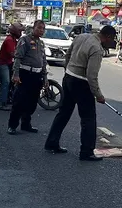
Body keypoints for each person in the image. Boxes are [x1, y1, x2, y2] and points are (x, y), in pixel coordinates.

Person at [44, 25, 117, 161]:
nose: (111, 42)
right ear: (107, 37)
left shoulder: (81, 37)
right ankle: (86, 152)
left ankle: (51, 143)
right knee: (88, 118)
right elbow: (91, 75)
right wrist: (98, 95)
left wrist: (68, 71)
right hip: (82, 83)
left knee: (63, 113)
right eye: (111, 39)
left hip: (68, 78)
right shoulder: (96, 49)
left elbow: (68, 55)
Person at [8, 20, 48, 135]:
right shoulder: (24, 40)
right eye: (39, 28)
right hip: (25, 74)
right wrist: (16, 74)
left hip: (36, 76)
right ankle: (12, 125)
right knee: (19, 101)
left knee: (32, 102)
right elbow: (18, 57)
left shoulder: (41, 43)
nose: (41, 30)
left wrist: (45, 78)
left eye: (43, 29)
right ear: (33, 28)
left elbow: (43, 61)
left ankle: (26, 124)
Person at [0, 23, 23, 111]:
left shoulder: (14, 40)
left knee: (13, 79)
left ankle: (10, 97)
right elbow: (13, 54)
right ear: (15, 31)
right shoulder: (9, 40)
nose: (21, 33)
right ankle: (1, 103)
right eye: (20, 31)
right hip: (2, 64)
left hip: (8, 63)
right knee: (6, 82)